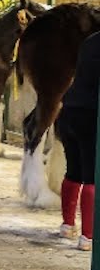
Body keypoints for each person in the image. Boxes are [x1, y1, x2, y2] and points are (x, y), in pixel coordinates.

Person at [56, 30, 100, 251]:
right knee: (92, 175)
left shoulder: (90, 40)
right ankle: (88, 237)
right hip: (91, 114)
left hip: (69, 110)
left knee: (73, 171)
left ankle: (67, 226)